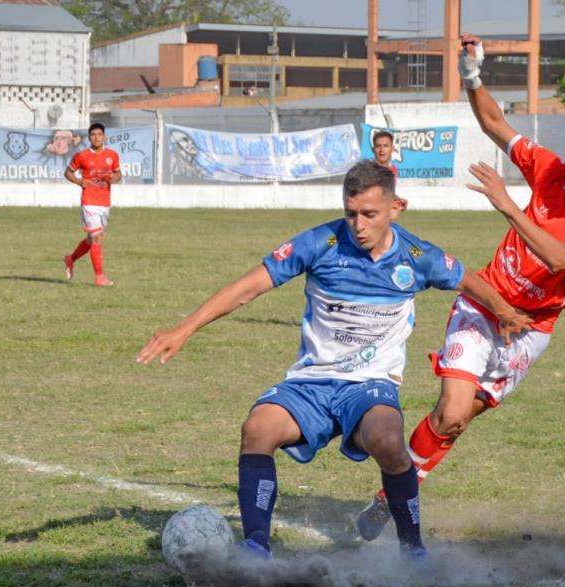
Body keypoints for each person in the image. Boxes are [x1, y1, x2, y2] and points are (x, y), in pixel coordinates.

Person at [136, 160, 529, 561]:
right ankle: (255, 546)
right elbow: (247, 287)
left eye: (370, 215)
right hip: (312, 382)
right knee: (257, 429)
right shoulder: (319, 244)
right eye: (351, 213)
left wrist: (505, 313)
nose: (358, 225)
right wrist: (184, 328)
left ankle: (413, 552)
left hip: (370, 385)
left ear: (396, 208)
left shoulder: (416, 257)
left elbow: (466, 279)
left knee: (388, 440)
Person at [355, 33, 565, 540]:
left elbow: (559, 258)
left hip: (532, 329)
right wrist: (471, 75)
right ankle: (395, 501)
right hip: (484, 303)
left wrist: (508, 204)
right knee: (452, 410)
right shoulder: (550, 171)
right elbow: (494, 123)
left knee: (456, 423)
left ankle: (392, 489)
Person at [63, 123, 122, 287]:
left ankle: (70, 259)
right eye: (93, 134)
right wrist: (79, 181)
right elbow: (68, 172)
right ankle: (99, 277)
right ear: (89, 137)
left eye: (99, 134)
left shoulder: (113, 155)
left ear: (104, 137)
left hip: (104, 203)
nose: (96, 137)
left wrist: (113, 179)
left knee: (92, 239)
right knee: (95, 238)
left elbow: (118, 174)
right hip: (89, 201)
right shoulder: (82, 156)